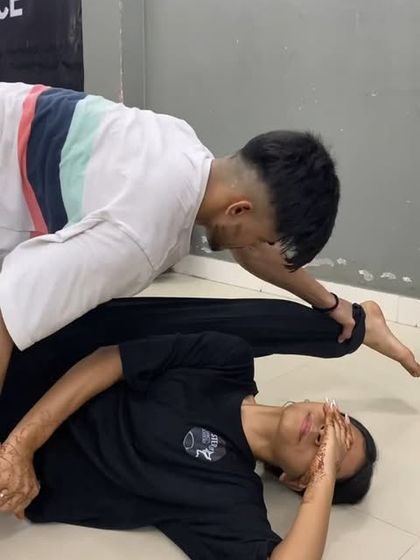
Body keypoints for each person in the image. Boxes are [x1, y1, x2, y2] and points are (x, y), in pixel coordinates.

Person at [0, 81, 354, 392]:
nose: (255, 248)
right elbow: (6, 310)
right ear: (238, 210)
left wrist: (329, 303)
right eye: (263, 239)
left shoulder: (180, 140)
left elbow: (249, 249)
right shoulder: (140, 239)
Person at [0, 299, 387, 560]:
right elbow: (110, 361)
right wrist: (22, 444)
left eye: (329, 453)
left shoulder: (230, 496)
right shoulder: (228, 361)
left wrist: (323, 475)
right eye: (336, 423)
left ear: (297, 481)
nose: (322, 435)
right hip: (23, 379)